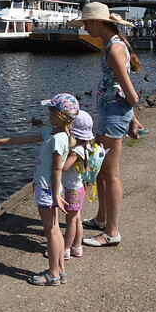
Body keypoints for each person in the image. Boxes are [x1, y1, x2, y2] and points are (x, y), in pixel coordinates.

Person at [0, 93, 79, 286]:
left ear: (59, 115)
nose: (48, 112)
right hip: (49, 189)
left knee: (51, 231)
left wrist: (55, 195)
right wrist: (1, 141)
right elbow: (26, 139)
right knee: (55, 231)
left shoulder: (57, 139)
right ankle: (60, 270)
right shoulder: (57, 134)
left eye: (51, 109)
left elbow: (57, 168)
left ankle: (52, 273)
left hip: (47, 190)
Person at [68, 2, 141, 247]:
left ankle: (112, 231)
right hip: (110, 112)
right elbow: (120, 87)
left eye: (87, 23)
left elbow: (131, 94)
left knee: (111, 174)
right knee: (99, 168)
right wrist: (130, 117)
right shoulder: (111, 45)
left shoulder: (114, 50)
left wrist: (129, 115)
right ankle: (101, 218)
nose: (85, 27)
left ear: (98, 22)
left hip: (113, 114)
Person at [56, 111, 96, 261]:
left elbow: (65, 167)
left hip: (73, 189)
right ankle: (77, 247)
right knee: (77, 219)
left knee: (70, 221)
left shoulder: (77, 150)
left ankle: (65, 249)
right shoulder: (86, 146)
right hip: (78, 187)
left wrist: (57, 160)